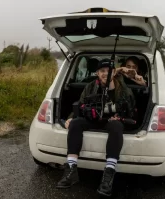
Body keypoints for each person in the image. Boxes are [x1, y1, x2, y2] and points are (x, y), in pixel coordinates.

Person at [56, 58, 136, 197]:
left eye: (109, 71)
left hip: (112, 122)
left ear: (114, 73)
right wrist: (70, 117)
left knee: (116, 126)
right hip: (93, 119)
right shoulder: (90, 86)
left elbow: (131, 110)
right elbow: (80, 104)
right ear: (97, 73)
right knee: (75, 123)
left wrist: (120, 116)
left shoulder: (123, 88)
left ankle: (108, 175)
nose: (106, 73)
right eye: (102, 71)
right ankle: (70, 170)